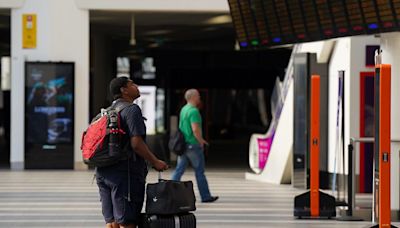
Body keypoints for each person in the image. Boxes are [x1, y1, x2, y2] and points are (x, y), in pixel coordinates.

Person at [95, 77, 168, 228]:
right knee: (127, 223)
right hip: (125, 174)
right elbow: (136, 144)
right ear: (124, 90)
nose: (136, 86)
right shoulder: (131, 109)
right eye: (132, 84)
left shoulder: (106, 112)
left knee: (112, 222)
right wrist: (155, 161)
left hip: (103, 172)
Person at [171, 88, 219, 203]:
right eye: (198, 96)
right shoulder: (194, 111)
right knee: (199, 171)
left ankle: (170, 192)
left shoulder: (184, 109)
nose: (199, 98)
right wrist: (201, 141)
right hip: (193, 144)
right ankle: (205, 196)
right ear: (192, 97)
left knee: (179, 170)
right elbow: (195, 129)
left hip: (184, 145)